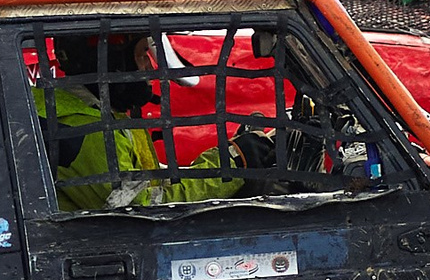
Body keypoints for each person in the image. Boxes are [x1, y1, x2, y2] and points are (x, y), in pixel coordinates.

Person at [39, 32, 274, 211]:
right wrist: (234, 165)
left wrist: (228, 157)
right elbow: (143, 209)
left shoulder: (79, 113)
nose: (149, 68)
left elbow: (151, 181)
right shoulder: (88, 133)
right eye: (142, 56)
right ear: (112, 62)